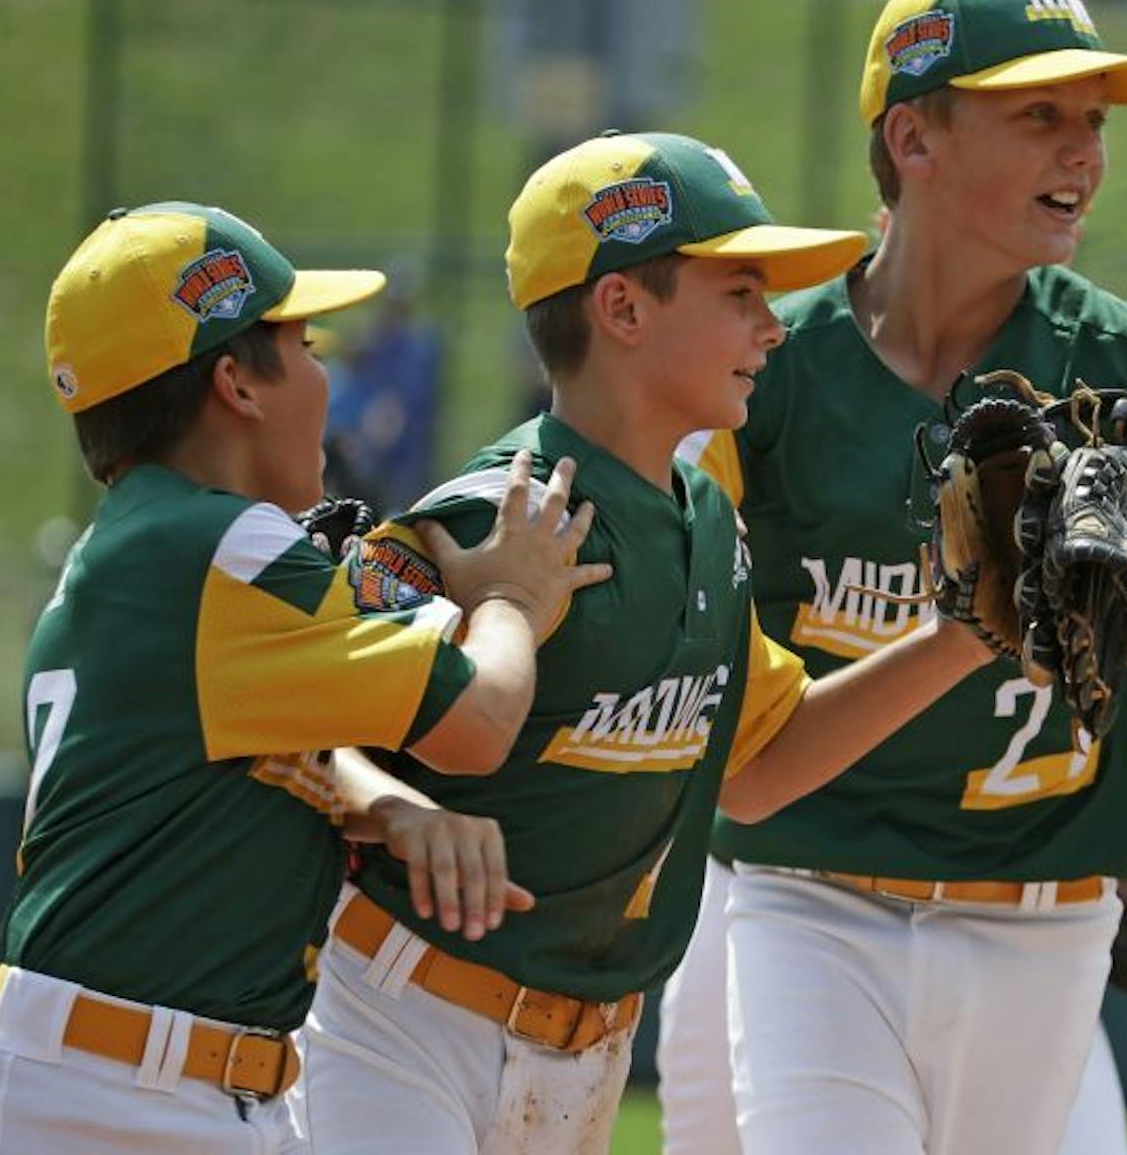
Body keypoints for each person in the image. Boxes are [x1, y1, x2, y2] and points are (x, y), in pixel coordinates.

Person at [654, 0, 1127, 1154]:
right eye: (1038, 114)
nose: (1084, 152)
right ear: (914, 136)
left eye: (1093, 121)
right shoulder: (765, 376)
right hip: (799, 898)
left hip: (1045, 920)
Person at [293, 132, 1002, 1155]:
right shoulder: (489, 521)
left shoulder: (706, 514)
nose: (772, 329)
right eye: (740, 295)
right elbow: (297, 732)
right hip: (401, 1026)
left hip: (589, 1058)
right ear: (622, 308)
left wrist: (970, 632)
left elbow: (757, 767)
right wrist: (396, 806)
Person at [0, 202, 607, 1153]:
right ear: (236, 383)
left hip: (166, 1086)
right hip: (96, 1101)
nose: (330, 373)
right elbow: (481, 718)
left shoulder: (152, 546)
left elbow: (255, 745)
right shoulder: (225, 546)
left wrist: (386, 807)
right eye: (309, 342)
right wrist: (514, 602)